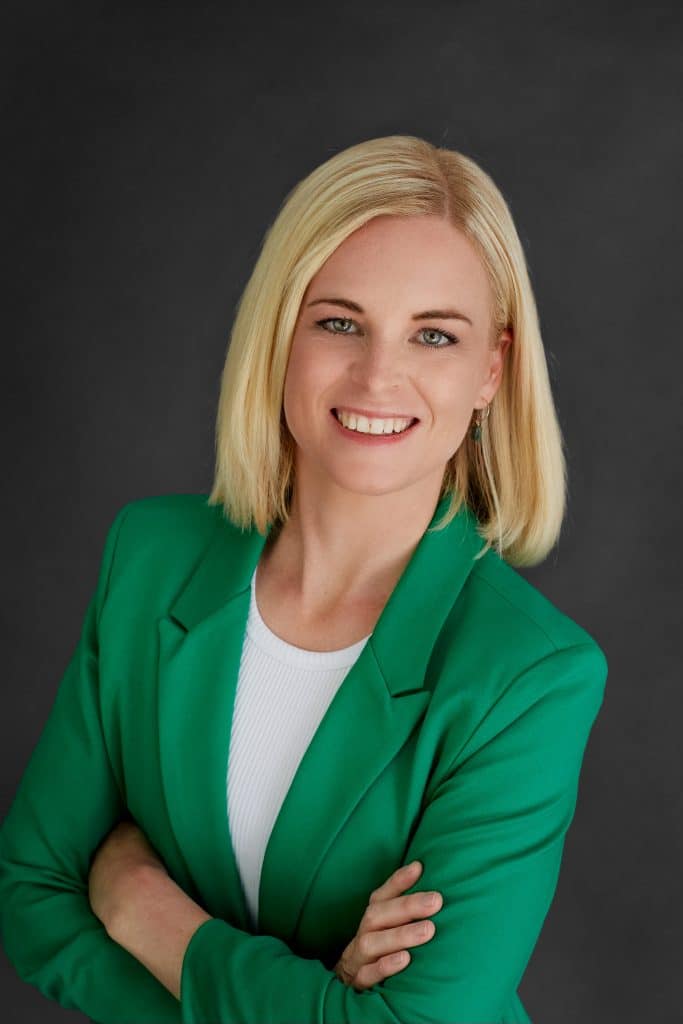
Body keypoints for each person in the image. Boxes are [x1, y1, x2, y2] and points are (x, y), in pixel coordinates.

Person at [0, 134, 608, 1024]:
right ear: (279, 334)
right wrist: (317, 1002)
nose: (378, 375)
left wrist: (144, 908)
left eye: (433, 335)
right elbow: (33, 895)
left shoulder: (529, 675)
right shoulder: (150, 556)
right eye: (339, 323)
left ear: (491, 371)